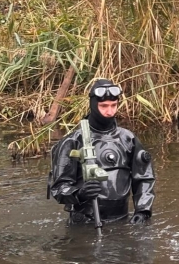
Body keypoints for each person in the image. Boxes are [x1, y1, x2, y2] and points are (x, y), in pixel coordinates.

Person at [48, 79, 155, 225]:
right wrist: (79, 193)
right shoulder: (72, 141)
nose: (109, 111)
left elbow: (144, 178)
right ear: (93, 105)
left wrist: (142, 211)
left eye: (114, 105)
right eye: (104, 106)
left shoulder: (128, 138)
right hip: (86, 222)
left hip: (122, 220)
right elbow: (59, 188)